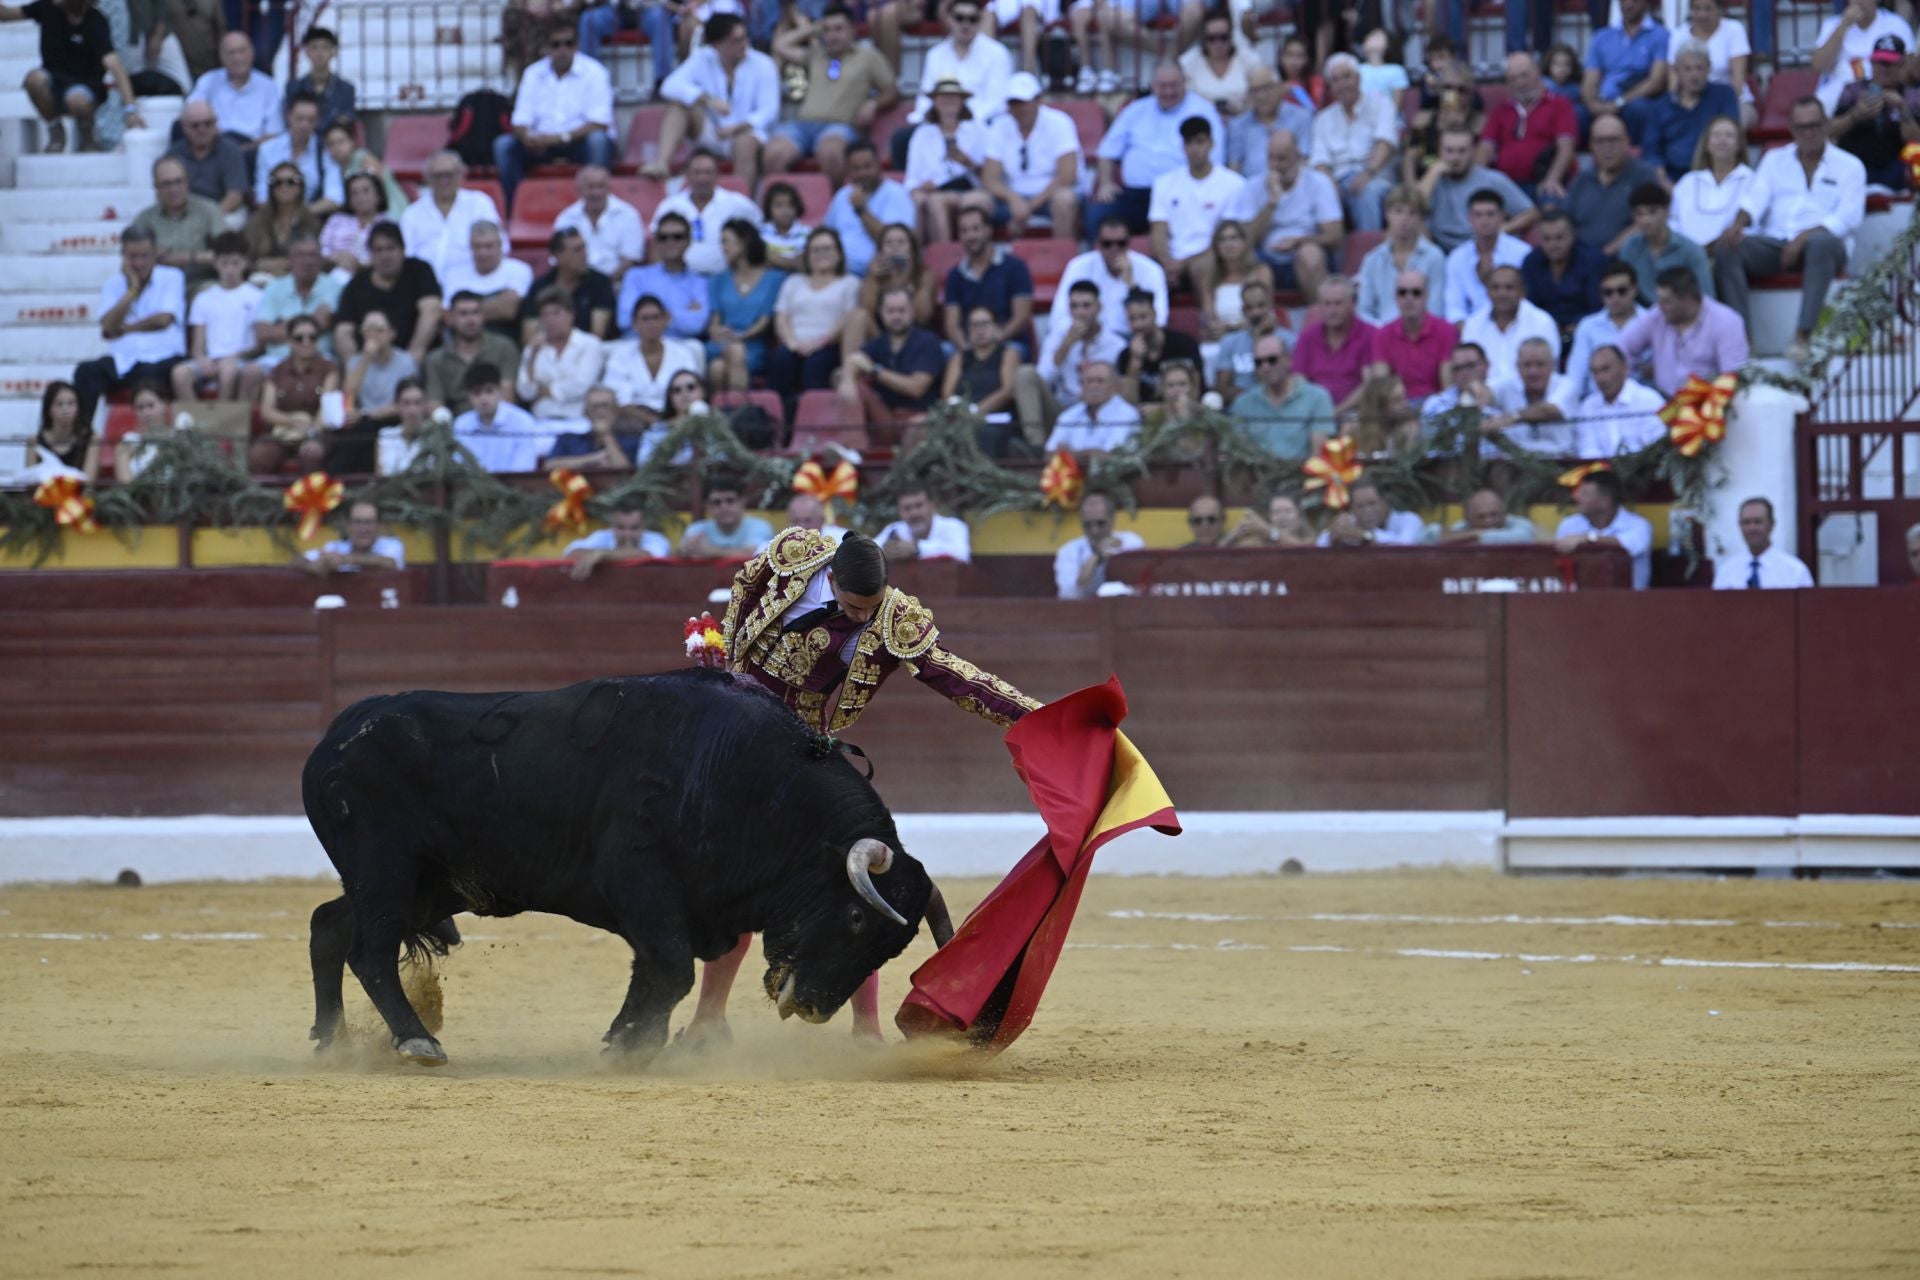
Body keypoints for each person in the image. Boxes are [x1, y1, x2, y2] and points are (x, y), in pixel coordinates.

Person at [687, 524, 1038, 1041]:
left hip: (801, 747)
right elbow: (745, 587)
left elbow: (956, 678)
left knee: (856, 883)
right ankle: (708, 1021)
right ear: (829, 576)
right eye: (852, 608)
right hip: (734, 740)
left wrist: (1036, 716)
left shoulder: (894, 621)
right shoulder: (793, 555)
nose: (861, 618)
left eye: (869, 609)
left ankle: (866, 1029)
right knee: (732, 881)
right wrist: (729, 670)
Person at [1715, 97, 1866, 362]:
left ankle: (1803, 335)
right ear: (1792, 129)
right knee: (1728, 248)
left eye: (1814, 126)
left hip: (1825, 245)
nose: (1808, 133)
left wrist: (1803, 238)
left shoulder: (1850, 165)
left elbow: (1848, 218)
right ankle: (1742, 342)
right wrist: (1738, 224)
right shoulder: (1775, 160)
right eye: (1801, 127)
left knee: (1821, 243)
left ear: (1827, 125)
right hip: (1777, 242)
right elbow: (1754, 200)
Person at [764, 5, 898, 188]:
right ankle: (785, 209)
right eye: (827, 30)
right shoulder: (816, 54)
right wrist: (813, 28)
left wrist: (874, 103)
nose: (832, 35)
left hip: (840, 127)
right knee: (773, 154)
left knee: (831, 152)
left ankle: (834, 206)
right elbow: (779, 45)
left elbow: (892, 91)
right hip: (803, 125)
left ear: (853, 29)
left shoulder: (868, 56)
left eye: (839, 29)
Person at [1090, 62, 1224, 238]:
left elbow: (1215, 160)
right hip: (1136, 195)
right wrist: (1106, 183)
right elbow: (1107, 152)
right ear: (1153, 86)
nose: (1168, 92)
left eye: (1174, 85)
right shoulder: (1135, 110)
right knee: (1098, 214)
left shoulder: (1204, 112)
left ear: (1185, 82)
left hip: (1182, 194)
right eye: (1163, 86)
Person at [494, 21, 615, 216]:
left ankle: (599, 211)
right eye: (556, 44)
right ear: (546, 48)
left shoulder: (595, 72)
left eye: (568, 43)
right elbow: (520, 120)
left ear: (577, 46)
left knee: (598, 141)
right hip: (540, 144)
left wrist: (558, 138)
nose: (563, 50)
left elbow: (599, 123)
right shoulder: (533, 73)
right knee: (504, 146)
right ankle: (514, 211)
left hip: (579, 142)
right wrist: (526, 137)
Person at [72, 225, 187, 430]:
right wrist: (131, 290)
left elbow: (163, 320)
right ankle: (82, 435)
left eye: (145, 256)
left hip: (161, 358)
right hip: (124, 360)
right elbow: (107, 325)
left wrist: (125, 328)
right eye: (132, 257)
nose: (139, 263)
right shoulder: (114, 284)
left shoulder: (172, 277)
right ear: (123, 256)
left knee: (148, 376)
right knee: (86, 371)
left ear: (155, 254)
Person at [650, 13, 778, 190]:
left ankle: (741, 205)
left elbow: (769, 111)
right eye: (736, 40)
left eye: (744, 37)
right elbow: (669, 86)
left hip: (747, 133)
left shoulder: (764, 64)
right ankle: (661, 163)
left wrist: (738, 127)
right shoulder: (703, 58)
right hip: (713, 132)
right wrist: (707, 99)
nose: (744, 44)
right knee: (678, 106)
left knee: (744, 144)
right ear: (718, 45)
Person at [8, 0, 144, 154]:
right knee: (34, 80)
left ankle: (86, 130)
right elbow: (8, 14)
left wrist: (131, 109)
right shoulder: (47, 8)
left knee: (78, 99)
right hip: (54, 81)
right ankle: (55, 129)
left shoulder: (96, 20)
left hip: (85, 87)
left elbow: (114, 64)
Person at [1020, 279, 1125, 442]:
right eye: (1074, 306)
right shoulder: (1059, 334)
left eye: (1086, 306)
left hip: (1100, 412)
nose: (1080, 312)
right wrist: (1066, 345)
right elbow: (1043, 378)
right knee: (1025, 374)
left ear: (1099, 307)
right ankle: (1036, 448)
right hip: (1062, 410)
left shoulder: (1116, 345)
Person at [1618, 265, 1748, 397]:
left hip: (1708, 404)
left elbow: (1733, 376)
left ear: (1688, 299)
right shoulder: (1656, 315)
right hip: (1663, 402)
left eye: (1667, 301)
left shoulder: (1726, 321)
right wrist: (1634, 381)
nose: (1660, 306)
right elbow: (1621, 349)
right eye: (1660, 300)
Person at [769, 227, 861, 412]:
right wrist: (792, 342)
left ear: (839, 254)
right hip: (794, 344)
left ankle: (815, 423)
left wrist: (819, 342)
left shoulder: (850, 283)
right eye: (815, 250)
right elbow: (781, 317)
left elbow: (848, 320)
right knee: (781, 357)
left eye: (827, 249)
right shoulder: (793, 282)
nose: (821, 254)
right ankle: (777, 423)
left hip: (829, 344)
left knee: (816, 364)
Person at [1244, 129, 1341, 303]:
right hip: (1266, 257)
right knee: (1251, 264)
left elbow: (1335, 238)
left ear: (1297, 157)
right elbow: (1248, 241)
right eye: (1271, 158)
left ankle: (1320, 321)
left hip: (1307, 254)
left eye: (1282, 158)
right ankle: (1262, 326)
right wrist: (1271, 203)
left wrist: (1298, 242)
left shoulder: (1318, 183)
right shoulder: (1254, 186)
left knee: (1309, 254)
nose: (1275, 165)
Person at [980, 72, 1081, 236]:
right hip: (1012, 198)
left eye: (1023, 102)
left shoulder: (1060, 122)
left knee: (1064, 199)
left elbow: (1067, 176)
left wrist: (1028, 207)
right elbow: (989, 179)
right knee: (975, 202)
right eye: (1014, 103)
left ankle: (1065, 257)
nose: (1019, 108)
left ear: (1038, 101)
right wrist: (1014, 199)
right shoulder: (1000, 126)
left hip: (1049, 197)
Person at [904, 1, 1013, 152]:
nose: (965, 24)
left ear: (980, 21)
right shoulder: (935, 55)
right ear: (949, 19)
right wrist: (940, 121)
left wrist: (962, 123)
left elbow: (996, 102)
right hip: (941, 123)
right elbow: (925, 98)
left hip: (982, 124)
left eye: (972, 19)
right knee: (902, 139)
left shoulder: (997, 53)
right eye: (959, 18)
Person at [838, 286, 946, 434]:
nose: (896, 316)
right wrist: (848, 379)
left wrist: (875, 370)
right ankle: (853, 451)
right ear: (881, 313)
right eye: (890, 311)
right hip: (884, 417)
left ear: (912, 312)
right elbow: (854, 360)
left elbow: (916, 388)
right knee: (853, 386)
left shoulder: (927, 342)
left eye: (901, 310)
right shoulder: (879, 342)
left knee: (920, 425)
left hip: (918, 418)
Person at [334, 221, 442, 366]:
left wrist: (413, 357)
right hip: (369, 365)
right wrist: (356, 367)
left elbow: (431, 310)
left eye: (391, 248)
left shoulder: (420, 270)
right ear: (370, 254)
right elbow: (343, 331)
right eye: (379, 250)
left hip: (416, 359)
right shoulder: (356, 285)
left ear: (403, 250)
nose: (385, 255)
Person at [1311, 52, 1399, 232]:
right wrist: (1329, 187)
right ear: (1331, 87)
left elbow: (1385, 144)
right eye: (1336, 80)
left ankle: (1369, 253)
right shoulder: (1323, 119)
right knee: (1318, 198)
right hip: (1338, 179)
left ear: (1358, 78)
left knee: (1365, 193)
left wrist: (1367, 174)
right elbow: (1319, 161)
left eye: (1347, 77)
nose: (1343, 84)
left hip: (1376, 176)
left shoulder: (1381, 103)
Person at [173, 231, 262, 403]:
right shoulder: (203, 298)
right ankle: (193, 423)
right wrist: (201, 359)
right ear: (215, 263)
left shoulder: (257, 296)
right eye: (224, 263)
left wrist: (234, 357)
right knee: (180, 373)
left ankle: (223, 422)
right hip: (211, 359)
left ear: (245, 263)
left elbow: (258, 345)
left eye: (235, 263)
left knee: (227, 370)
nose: (230, 269)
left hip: (240, 359)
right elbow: (197, 345)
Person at [1053, 216, 1170, 341]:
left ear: (1129, 242)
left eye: (1121, 243)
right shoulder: (1078, 266)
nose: (1114, 249)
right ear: (1098, 243)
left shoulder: (1151, 269)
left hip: (1133, 341)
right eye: (1107, 244)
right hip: (1089, 339)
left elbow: (1159, 319)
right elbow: (1058, 317)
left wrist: (1132, 286)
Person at [904, 79, 991, 247]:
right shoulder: (922, 135)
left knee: (974, 201)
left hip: (970, 189)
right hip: (935, 191)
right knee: (933, 202)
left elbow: (991, 176)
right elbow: (911, 180)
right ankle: (943, 255)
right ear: (934, 101)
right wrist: (923, 186)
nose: (948, 102)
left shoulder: (979, 130)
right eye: (943, 97)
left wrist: (968, 163)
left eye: (954, 97)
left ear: (962, 101)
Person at [1565, 115, 1668, 256]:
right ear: (1591, 146)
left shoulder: (1644, 176)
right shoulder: (1581, 180)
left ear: (1627, 142)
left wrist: (1606, 253)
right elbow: (1566, 223)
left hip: (1627, 261)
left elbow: (1647, 222)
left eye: (1613, 140)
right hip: (1581, 261)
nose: (1607, 147)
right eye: (1600, 141)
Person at [1421, 125, 1535, 253]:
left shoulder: (1492, 179)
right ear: (1439, 152)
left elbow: (1531, 213)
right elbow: (1413, 209)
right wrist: (1433, 172)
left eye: (1462, 151)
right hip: (1441, 250)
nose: (1455, 157)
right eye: (1449, 151)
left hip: (1483, 247)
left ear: (1472, 152)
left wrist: (1503, 229)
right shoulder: (1432, 180)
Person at [1479, 52, 1577, 201]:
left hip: (1542, 181)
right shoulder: (1501, 111)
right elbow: (1486, 148)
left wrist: (1552, 179)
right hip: (1507, 185)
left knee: (1551, 201)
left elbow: (1566, 148)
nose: (1520, 83)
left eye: (1524, 76)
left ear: (1537, 72)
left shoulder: (1559, 105)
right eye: (1513, 79)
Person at [651, 151, 762, 279]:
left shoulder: (737, 204)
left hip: (726, 279)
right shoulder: (670, 205)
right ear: (687, 175)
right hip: (679, 279)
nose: (703, 178)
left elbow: (759, 234)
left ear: (717, 174)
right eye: (697, 172)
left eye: (708, 172)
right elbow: (656, 245)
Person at [251, 313, 339, 473]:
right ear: (289, 341)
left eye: (312, 337)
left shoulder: (329, 369)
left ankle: (312, 498)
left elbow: (327, 407)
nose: (306, 342)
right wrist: (291, 420)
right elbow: (267, 411)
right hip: (283, 432)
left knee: (311, 453)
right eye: (299, 338)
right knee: (259, 455)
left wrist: (313, 432)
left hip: (317, 431)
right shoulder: (277, 371)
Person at [1831, 35, 1920, 190]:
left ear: (1902, 64)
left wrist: (1902, 109)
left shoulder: (1913, 96)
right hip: (1856, 168)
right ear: (1871, 62)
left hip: (1897, 171)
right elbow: (1830, 131)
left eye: (1890, 63)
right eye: (1879, 62)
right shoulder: (1853, 90)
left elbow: (1917, 142)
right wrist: (1855, 115)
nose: (1883, 68)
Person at [1642, 42, 1739, 184]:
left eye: (1699, 68)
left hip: (1715, 177)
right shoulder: (1660, 106)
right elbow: (1652, 153)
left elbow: (1732, 138)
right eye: (1687, 69)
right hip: (1672, 179)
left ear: (1709, 69)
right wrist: (1668, 187)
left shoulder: (1724, 95)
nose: (1694, 75)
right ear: (1676, 71)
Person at [942, 205, 1034, 350]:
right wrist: (966, 348)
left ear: (988, 230)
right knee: (944, 350)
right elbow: (951, 324)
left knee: (1014, 351)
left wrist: (996, 340)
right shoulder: (955, 275)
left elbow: (1021, 317)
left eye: (975, 229)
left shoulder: (1015, 267)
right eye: (964, 231)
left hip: (1006, 342)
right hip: (969, 345)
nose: (970, 236)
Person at [706, 218, 782, 393]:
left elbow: (765, 320)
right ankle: (736, 415)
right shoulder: (718, 279)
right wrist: (716, 331)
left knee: (719, 367)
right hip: (722, 342)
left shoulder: (774, 279)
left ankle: (730, 415)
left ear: (744, 242)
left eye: (726, 241)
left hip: (753, 344)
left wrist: (741, 336)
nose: (723, 247)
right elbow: (715, 320)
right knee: (727, 356)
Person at [399, 151, 499, 282]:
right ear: (427, 178)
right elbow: (406, 256)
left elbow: (498, 246)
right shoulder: (412, 214)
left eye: (449, 175)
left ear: (460, 175)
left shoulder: (479, 204)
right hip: (424, 287)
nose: (443, 180)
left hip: (473, 284)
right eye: (437, 176)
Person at [1355, 184, 1446, 325]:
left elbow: (1435, 310)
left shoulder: (1434, 257)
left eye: (1412, 213)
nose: (1404, 219)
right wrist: (1386, 333)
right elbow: (1364, 311)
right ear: (1387, 214)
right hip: (1381, 335)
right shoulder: (1372, 259)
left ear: (1421, 219)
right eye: (1398, 211)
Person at [1230, 333, 1331, 458]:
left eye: (1272, 360)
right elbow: (1239, 454)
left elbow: (1319, 454)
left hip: (1302, 474)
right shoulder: (1243, 404)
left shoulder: (1317, 398)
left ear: (1288, 360)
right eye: (1258, 362)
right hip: (1258, 475)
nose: (1265, 367)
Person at [1580, 0, 1668, 142]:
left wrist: (1619, 103)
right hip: (1603, 101)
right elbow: (1589, 80)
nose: (1628, 5)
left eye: (1634, 1)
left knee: (1639, 109)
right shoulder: (1602, 36)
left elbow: (1656, 81)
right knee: (1576, 112)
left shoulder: (1660, 35)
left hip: (1632, 100)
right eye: (1624, 0)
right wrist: (1593, 105)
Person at [605, 293, 701, 422]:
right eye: (645, 319)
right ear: (634, 323)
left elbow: (693, 393)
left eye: (656, 318)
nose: (651, 324)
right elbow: (619, 402)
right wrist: (656, 423)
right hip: (633, 422)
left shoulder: (682, 354)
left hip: (678, 419)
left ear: (665, 320)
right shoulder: (620, 356)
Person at [1520, 208, 1605, 350]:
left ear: (1573, 235)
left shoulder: (1593, 260)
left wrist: (1574, 326)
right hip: (1543, 332)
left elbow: (1597, 307)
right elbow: (1530, 306)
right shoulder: (1531, 262)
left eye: (1559, 238)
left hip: (1586, 332)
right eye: (1547, 239)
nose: (1553, 245)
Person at [615, 211, 708, 341]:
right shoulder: (636, 276)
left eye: (677, 236)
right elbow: (624, 320)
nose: (670, 242)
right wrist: (677, 314)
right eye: (664, 237)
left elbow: (697, 325)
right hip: (637, 344)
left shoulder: (701, 282)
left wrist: (647, 316)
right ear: (656, 242)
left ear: (688, 240)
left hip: (681, 347)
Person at [133, 155, 224, 288]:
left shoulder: (208, 211)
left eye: (178, 182)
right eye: (166, 184)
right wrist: (151, 257)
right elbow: (129, 262)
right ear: (156, 187)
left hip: (199, 282)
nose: (173, 189)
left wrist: (187, 258)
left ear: (187, 182)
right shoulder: (144, 219)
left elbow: (228, 253)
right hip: (159, 286)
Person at [425, 290, 520, 416]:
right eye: (463, 314)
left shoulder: (504, 347)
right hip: (456, 427)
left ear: (483, 316)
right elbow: (435, 405)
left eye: (475, 312)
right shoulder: (436, 359)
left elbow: (507, 397)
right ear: (450, 318)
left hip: (498, 425)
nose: (470, 320)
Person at [1567, 259, 1650, 402]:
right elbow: (1576, 377)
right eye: (1608, 292)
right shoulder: (1588, 326)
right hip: (1598, 404)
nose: (1615, 297)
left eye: (1622, 291)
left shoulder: (1650, 322)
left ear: (1635, 289)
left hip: (1642, 403)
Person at [1555, 466, 1652, 587]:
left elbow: (1628, 547)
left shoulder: (1639, 525)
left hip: (1630, 602)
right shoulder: (1569, 525)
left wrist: (1588, 539)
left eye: (1585, 494)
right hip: (1580, 601)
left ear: (1605, 501)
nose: (1576, 497)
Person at [1812, 0, 1915, 115]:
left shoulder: (1896, 24)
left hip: (1883, 89)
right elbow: (1819, 66)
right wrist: (1844, 24)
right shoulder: (1832, 24)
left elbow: (1908, 70)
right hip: (1839, 90)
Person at [516, 288, 605, 421]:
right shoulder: (533, 348)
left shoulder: (590, 344)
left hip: (580, 419)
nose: (550, 320)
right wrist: (533, 357)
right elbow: (526, 393)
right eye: (545, 315)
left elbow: (581, 385)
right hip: (542, 420)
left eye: (556, 313)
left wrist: (545, 391)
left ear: (571, 315)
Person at [1443, 188, 1531, 321]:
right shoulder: (1457, 258)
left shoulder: (1522, 253)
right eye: (1478, 215)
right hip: (1469, 331)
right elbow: (1454, 307)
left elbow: (1526, 301)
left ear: (1502, 217)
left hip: (1515, 325)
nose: (1484, 220)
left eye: (1490, 214)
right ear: (1470, 218)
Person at [1618, 183, 1714, 306]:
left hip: (1681, 316)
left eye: (1652, 212)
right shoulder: (1629, 247)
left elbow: (1706, 298)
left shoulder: (1691, 251)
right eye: (1639, 214)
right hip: (1641, 317)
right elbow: (1622, 289)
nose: (1645, 220)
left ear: (1667, 212)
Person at [1462, 265, 1562, 383]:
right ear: (1487, 291)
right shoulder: (1473, 324)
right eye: (1495, 287)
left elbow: (1549, 371)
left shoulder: (1542, 322)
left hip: (1529, 396)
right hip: (1483, 397)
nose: (1501, 293)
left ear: (1522, 291)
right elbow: (1466, 369)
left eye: (1509, 287)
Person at [253, 234, 341, 367]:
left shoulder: (333, 286)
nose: (307, 261)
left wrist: (282, 326)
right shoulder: (275, 287)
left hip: (320, 358)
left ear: (320, 260)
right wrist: (307, 327)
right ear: (290, 260)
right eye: (301, 255)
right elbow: (262, 333)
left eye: (313, 255)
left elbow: (322, 322)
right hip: (278, 359)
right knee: (251, 373)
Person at [1372, 269, 1457, 403]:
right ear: (1396, 297)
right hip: (1398, 408)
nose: (1409, 298)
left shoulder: (1446, 331)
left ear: (1426, 296)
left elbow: (1447, 386)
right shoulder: (1383, 334)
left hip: (1434, 406)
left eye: (1416, 293)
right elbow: (1381, 385)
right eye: (1402, 292)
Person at [1291, 275, 1374, 411]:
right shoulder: (1307, 337)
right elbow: (1299, 382)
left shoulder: (1370, 335)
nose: (1332, 311)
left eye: (1338, 303)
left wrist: (1337, 411)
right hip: (1314, 411)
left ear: (1352, 304)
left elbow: (1369, 384)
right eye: (1327, 304)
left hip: (1356, 411)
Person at [519, 227, 615, 344]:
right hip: (548, 349)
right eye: (577, 250)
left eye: (584, 248)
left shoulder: (600, 282)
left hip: (588, 350)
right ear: (558, 255)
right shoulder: (540, 287)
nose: (584, 254)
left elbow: (597, 334)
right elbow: (529, 336)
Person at [440, 221, 533, 342]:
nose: (483, 253)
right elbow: (447, 317)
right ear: (470, 247)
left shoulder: (519, 270)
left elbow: (509, 310)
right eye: (477, 247)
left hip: (504, 345)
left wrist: (462, 313)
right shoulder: (453, 274)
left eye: (488, 246)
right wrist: (497, 303)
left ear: (500, 245)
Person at [1671, 115, 1753, 251]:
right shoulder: (1688, 181)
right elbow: (1673, 221)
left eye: (1729, 135)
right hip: (1686, 255)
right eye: (1716, 135)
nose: (1722, 140)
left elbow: (1756, 226)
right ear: (1707, 144)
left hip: (1730, 252)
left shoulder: (1753, 180)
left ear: (1739, 144)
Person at [1487, 336, 1579, 455]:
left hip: (1562, 462)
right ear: (1518, 367)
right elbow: (1484, 391)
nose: (1533, 372)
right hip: (1515, 464)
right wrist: (1478, 391)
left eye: (1540, 364)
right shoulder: (1509, 384)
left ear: (1552, 365)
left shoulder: (1567, 385)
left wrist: (1512, 417)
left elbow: (1549, 410)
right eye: (1527, 365)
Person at [452, 361, 549, 473]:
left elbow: (523, 469)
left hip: (514, 487)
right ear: (468, 396)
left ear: (499, 391)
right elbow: (459, 467)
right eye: (477, 393)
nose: (483, 399)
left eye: (489, 391)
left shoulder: (522, 421)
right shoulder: (461, 425)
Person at [254, 90, 343, 211]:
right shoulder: (267, 149)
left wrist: (300, 215)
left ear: (317, 121)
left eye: (310, 120)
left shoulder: (325, 151)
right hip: (272, 216)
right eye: (299, 119)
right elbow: (262, 197)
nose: (304, 125)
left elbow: (335, 198)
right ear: (288, 116)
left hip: (311, 216)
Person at [1226, 65, 1315, 184]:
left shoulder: (1301, 118)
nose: (1261, 96)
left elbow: (1304, 162)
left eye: (1266, 88)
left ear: (1280, 87)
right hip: (1251, 193)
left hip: (1292, 189)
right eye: (1255, 91)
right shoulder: (1238, 126)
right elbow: (1234, 171)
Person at [553, 165, 645, 280]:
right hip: (577, 285)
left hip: (618, 283)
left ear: (609, 188)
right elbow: (559, 257)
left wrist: (604, 286)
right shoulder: (566, 218)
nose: (596, 192)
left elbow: (631, 258)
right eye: (590, 187)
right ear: (579, 189)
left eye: (601, 186)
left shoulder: (628, 215)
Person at [1672, 0, 1753, 129]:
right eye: (1697, 9)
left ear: (1719, 10)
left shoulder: (1734, 29)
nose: (1702, 14)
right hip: (1690, 101)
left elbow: (1737, 82)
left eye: (1708, 8)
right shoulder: (1678, 34)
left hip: (1734, 101)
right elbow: (1673, 83)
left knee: (1730, 128)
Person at [185, 31, 274, 148]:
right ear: (221, 57)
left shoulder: (269, 87)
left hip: (251, 148)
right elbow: (190, 112)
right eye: (231, 53)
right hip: (214, 145)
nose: (237, 58)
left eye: (242, 51)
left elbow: (274, 134)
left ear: (252, 52)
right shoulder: (208, 81)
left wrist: (243, 150)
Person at [1575, 344, 1668, 458]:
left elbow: (1656, 448)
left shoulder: (1649, 400)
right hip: (1600, 474)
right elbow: (1588, 451)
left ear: (1624, 368)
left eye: (1606, 369)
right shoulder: (1587, 407)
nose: (1600, 378)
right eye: (1595, 372)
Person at [1116, 287, 1203, 406]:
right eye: (1132, 319)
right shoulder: (1125, 355)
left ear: (1155, 314)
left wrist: (1161, 410)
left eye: (1143, 317)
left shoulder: (1184, 344)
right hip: (1144, 420)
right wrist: (1135, 362)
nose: (1138, 324)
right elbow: (1128, 404)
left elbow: (1196, 391)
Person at [1210, 276, 1290, 399]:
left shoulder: (1289, 341)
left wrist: (1260, 338)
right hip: (1241, 412)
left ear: (1270, 306)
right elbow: (1222, 390)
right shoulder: (1229, 342)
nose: (1256, 312)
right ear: (1243, 310)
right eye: (1250, 308)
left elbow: (1291, 386)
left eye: (1260, 305)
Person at [1054, 491, 1144, 598]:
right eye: (1087, 525)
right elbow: (1068, 594)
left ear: (1112, 519)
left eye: (1100, 523)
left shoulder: (1131, 541)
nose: (1094, 530)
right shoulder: (1069, 551)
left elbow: (1139, 587)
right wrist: (1095, 557)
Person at [1711, 496, 1814, 589]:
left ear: (1772, 524)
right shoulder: (1727, 572)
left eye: (1758, 522)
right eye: (1746, 522)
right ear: (1740, 526)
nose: (1752, 528)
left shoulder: (1795, 571)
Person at [943, 302, 1020, 425]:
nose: (980, 330)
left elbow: (1008, 391)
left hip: (996, 419)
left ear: (996, 327)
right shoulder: (958, 357)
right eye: (974, 325)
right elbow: (947, 393)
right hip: (961, 419)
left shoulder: (1009, 354)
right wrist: (961, 412)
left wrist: (976, 411)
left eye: (985, 324)